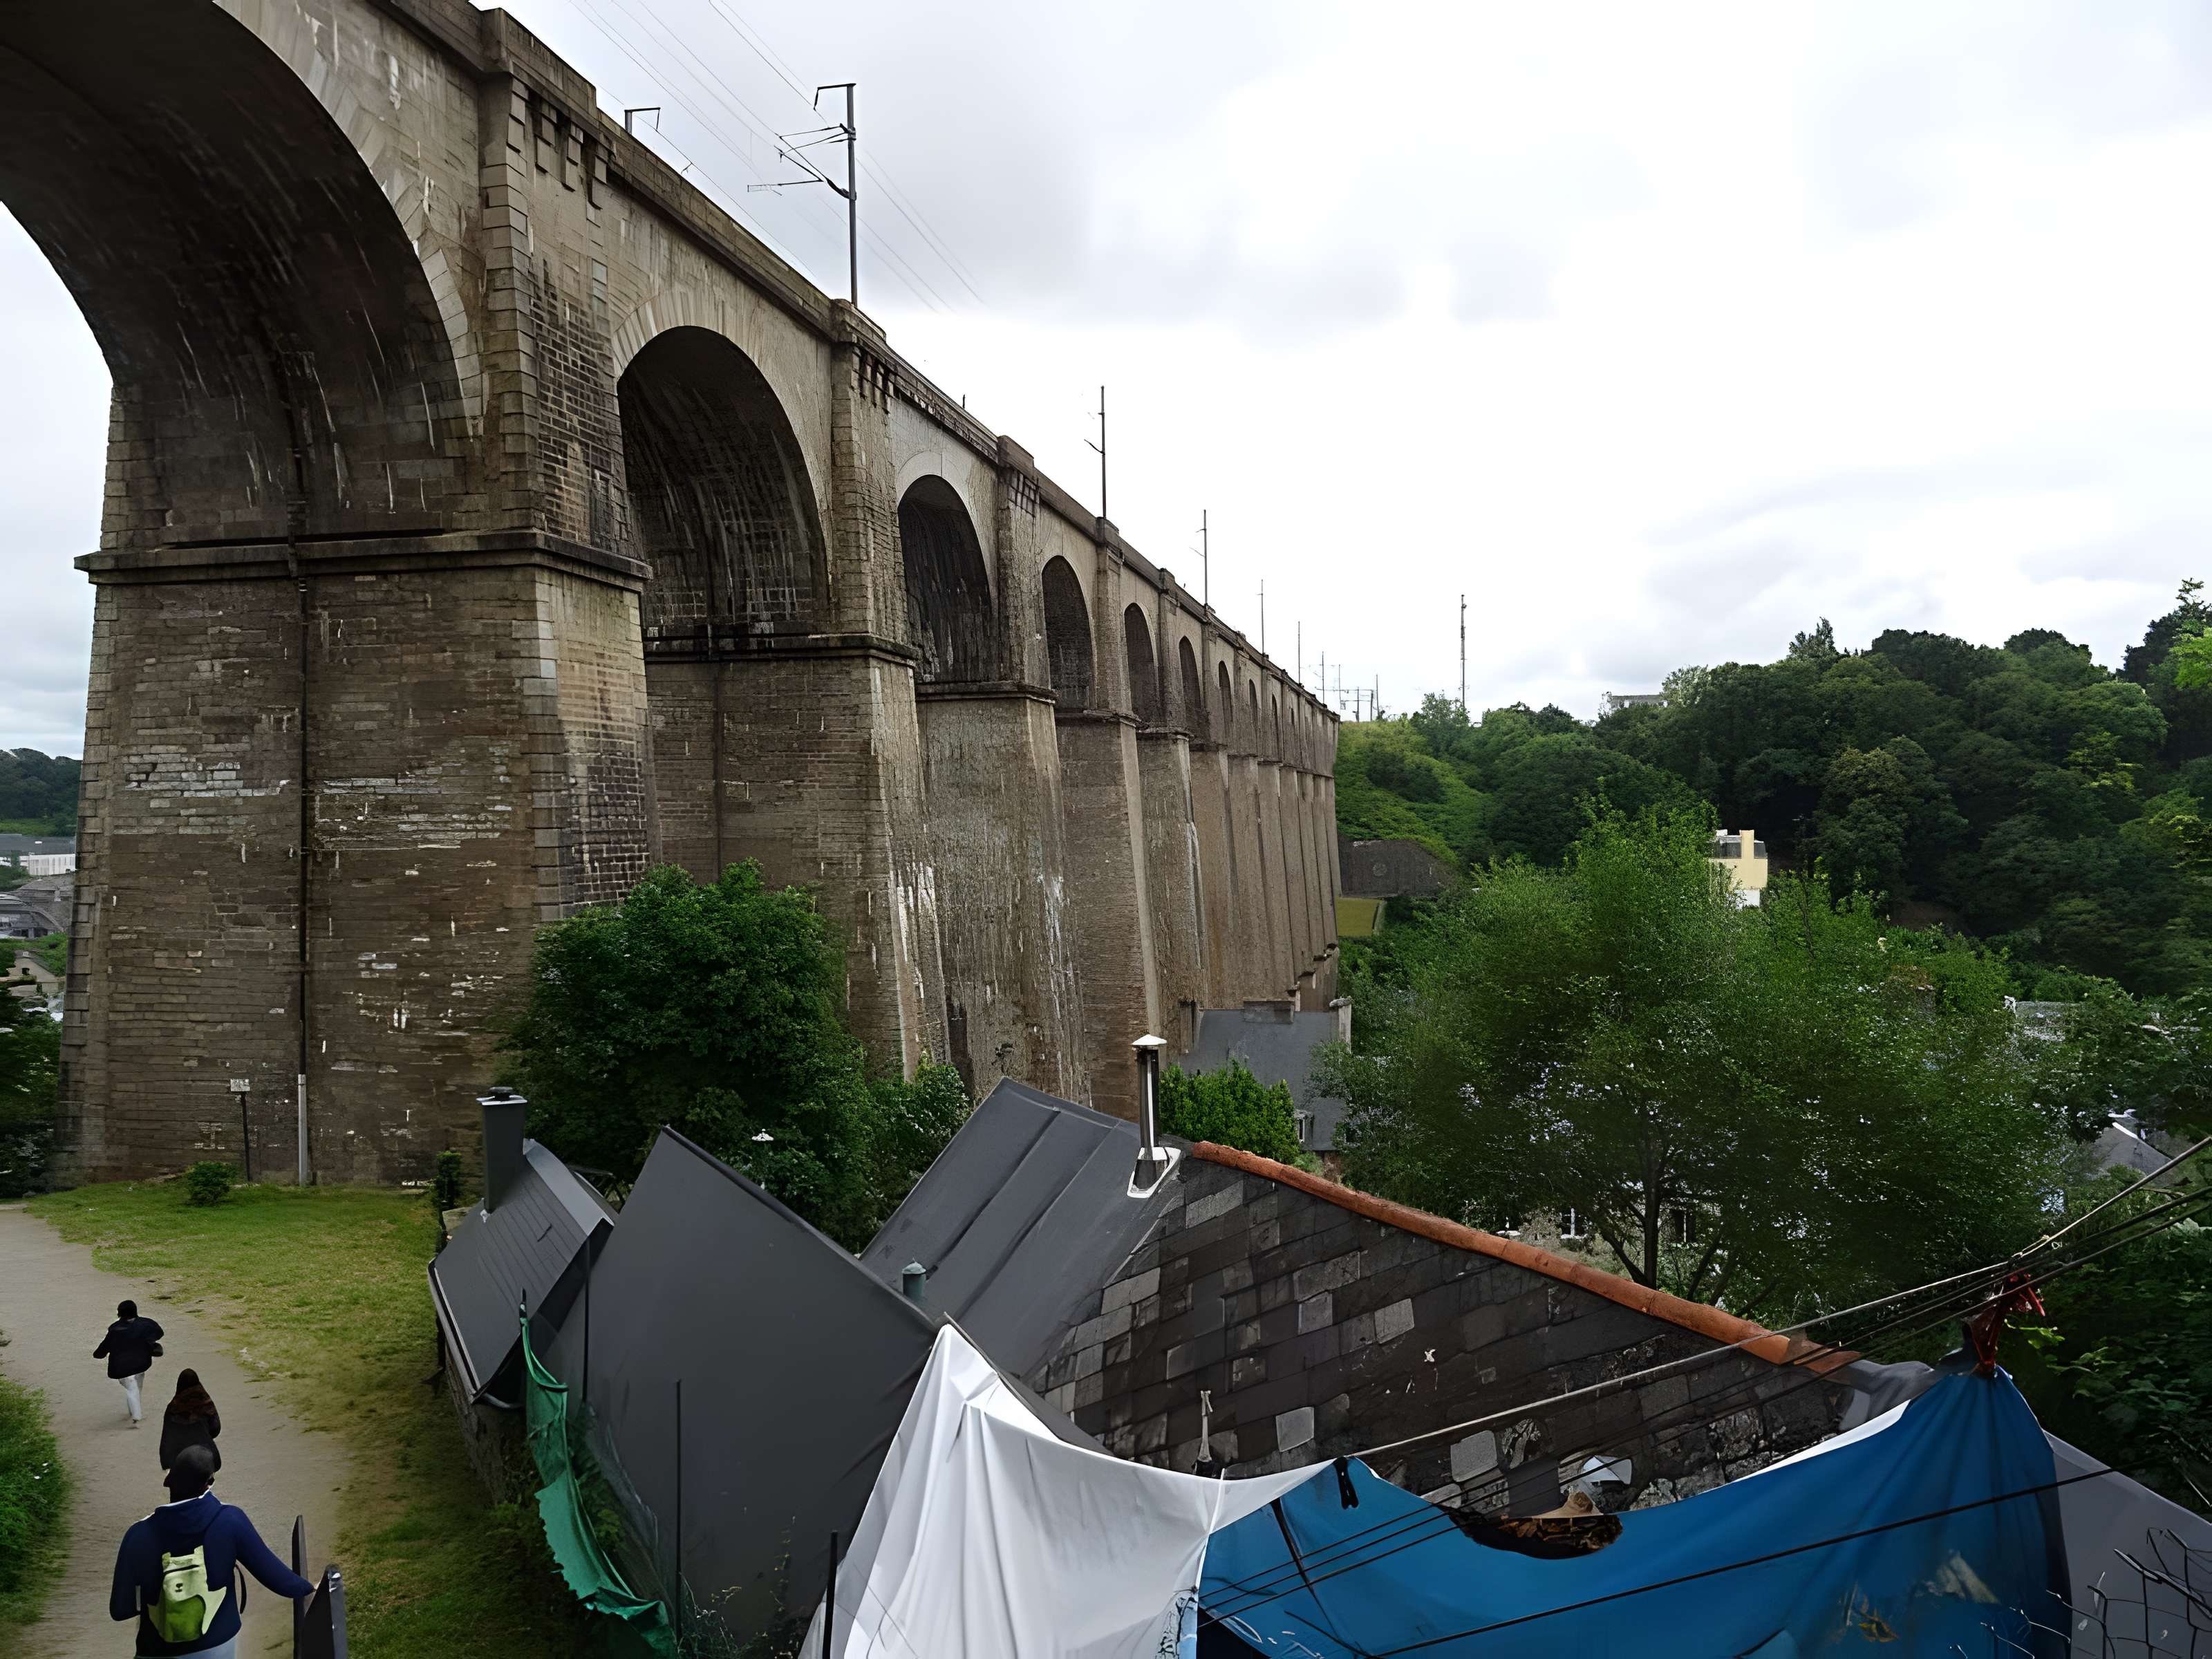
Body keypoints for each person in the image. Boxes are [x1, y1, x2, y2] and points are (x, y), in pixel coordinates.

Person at [111, 1444, 314, 1657]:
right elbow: (279, 1580)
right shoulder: (230, 1520)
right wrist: (311, 1588)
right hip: (217, 1644)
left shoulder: (137, 1534)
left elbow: (120, 1610)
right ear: (210, 1483)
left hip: (155, 1649)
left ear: (168, 1480)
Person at [95, 1298, 165, 1430]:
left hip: (120, 1366)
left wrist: (99, 1354)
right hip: (141, 1362)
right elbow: (159, 1333)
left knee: (130, 1384)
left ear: (119, 1313)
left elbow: (103, 1349)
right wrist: (148, 1341)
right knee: (137, 1384)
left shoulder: (115, 1329)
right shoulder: (147, 1324)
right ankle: (134, 1411)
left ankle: (135, 1413)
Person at [158, 1370, 222, 1475]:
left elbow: (167, 1436)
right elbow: (216, 1428)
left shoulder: (173, 1408)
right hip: (204, 1453)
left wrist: (166, 1461)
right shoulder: (205, 1403)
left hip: (178, 1456)